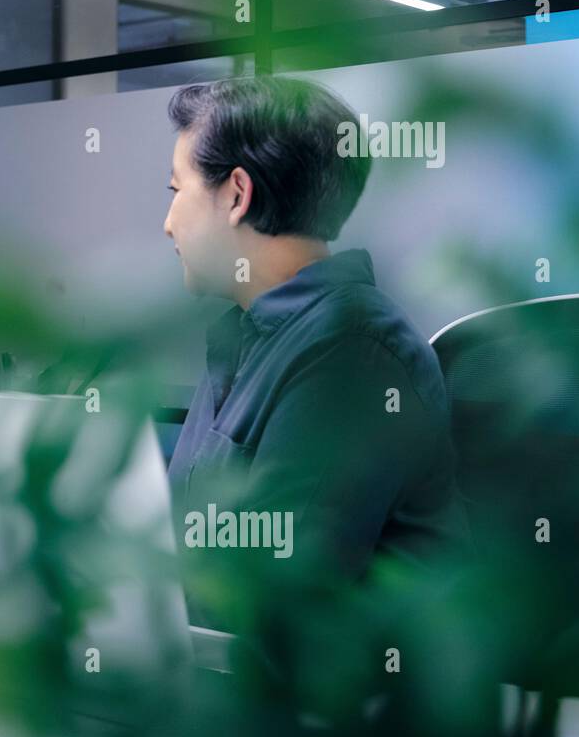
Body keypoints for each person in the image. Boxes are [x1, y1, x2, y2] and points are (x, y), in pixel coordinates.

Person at [162, 77, 468, 629]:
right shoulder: (246, 336)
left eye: (175, 191)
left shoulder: (355, 351)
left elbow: (273, 606)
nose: (168, 224)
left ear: (236, 194)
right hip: (212, 676)